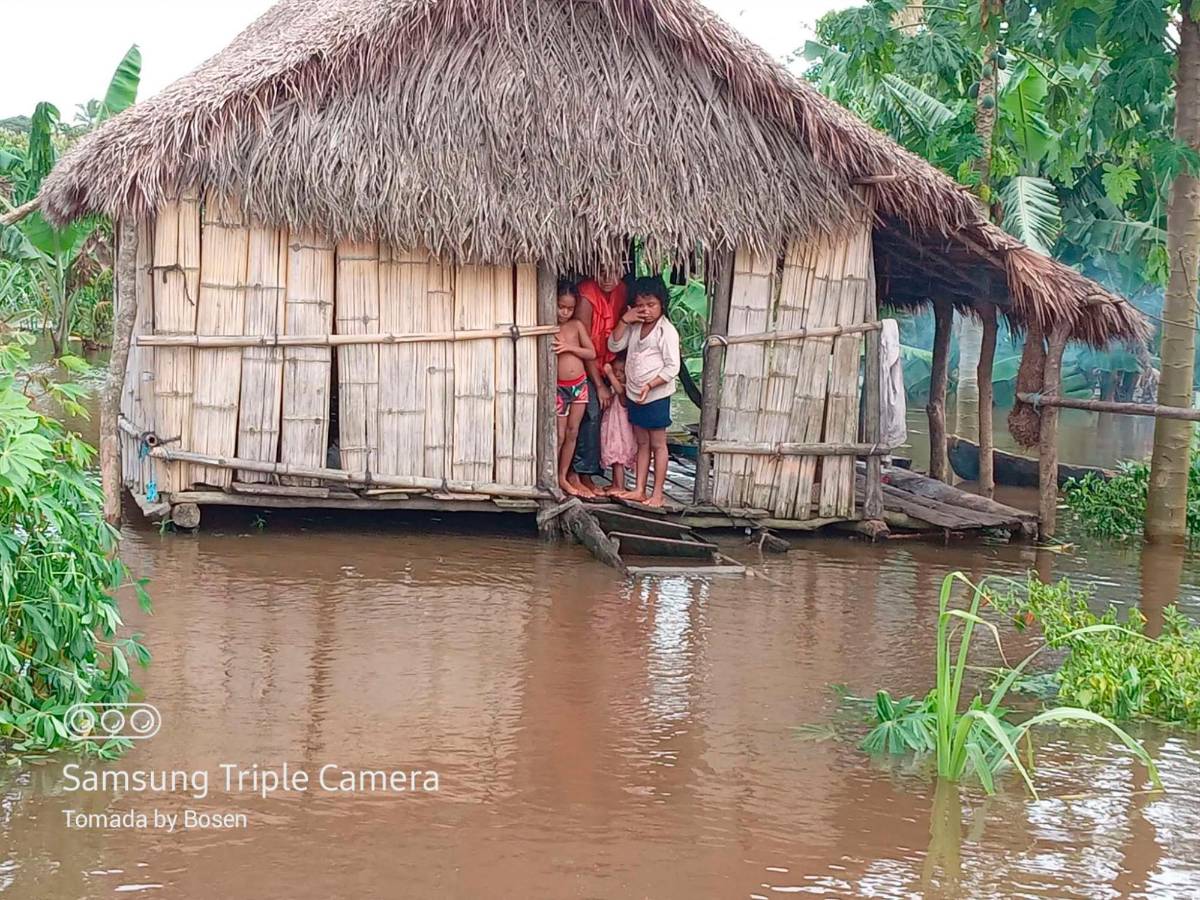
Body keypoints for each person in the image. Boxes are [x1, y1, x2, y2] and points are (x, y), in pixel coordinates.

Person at [607, 276, 680, 508]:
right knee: (642, 443)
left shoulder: (666, 331)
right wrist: (624, 321)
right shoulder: (635, 327)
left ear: (662, 304)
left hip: (656, 396)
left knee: (658, 444)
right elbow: (614, 346)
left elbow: (672, 367)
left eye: (651, 305)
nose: (646, 311)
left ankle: (657, 493)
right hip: (635, 394)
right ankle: (639, 489)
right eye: (640, 306)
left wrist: (651, 385)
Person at [569, 263, 628, 495]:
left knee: (601, 418)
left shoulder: (621, 291)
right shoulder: (586, 294)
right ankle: (578, 473)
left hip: (606, 364)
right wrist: (600, 384)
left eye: (613, 273)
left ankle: (588, 474)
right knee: (590, 412)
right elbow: (585, 345)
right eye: (602, 272)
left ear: (621, 272)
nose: (607, 278)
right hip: (584, 364)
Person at [553, 282, 597, 497]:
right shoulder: (547, 326)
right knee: (559, 434)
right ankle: (552, 475)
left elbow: (591, 353)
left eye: (570, 308)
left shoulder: (577, 325)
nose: (565, 312)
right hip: (559, 388)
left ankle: (563, 475)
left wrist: (570, 347)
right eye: (561, 306)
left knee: (573, 432)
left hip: (579, 385)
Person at [601, 353, 637, 494]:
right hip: (614, 431)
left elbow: (620, 390)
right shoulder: (613, 391)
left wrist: (609, 373)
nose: (617, 374)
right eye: (615, 371)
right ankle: (615, 483)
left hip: (620, 434)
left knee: (618, 460)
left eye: (621, 372)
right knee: (615, 461)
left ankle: (620, 486)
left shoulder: (625, 391)